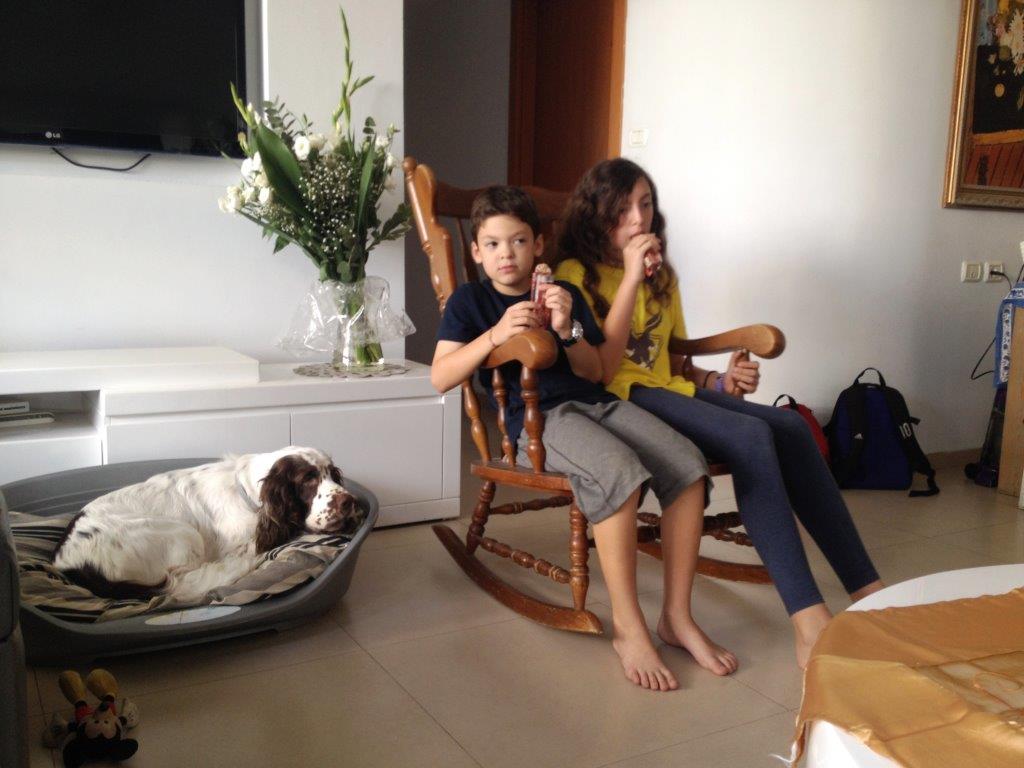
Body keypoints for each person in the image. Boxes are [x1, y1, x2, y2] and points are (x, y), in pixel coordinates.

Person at [553, 159, 884, 668]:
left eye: (645, 204)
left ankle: (868, 590)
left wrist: (720, 382)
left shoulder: (663, 276)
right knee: (750, 436)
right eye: (622, 209)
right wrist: (631, 278)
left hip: (670, 389)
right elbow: (605, 368)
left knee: (790, 426)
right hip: (620, 398)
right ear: (596, 215)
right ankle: (808, 619)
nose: (638, 219)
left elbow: (673, 360)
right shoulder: (576, 275)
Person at [431, 185, 738, 691]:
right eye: (493, 244)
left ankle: (677, 617)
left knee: (687, 464)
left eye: (519, 241)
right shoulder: (472, 300)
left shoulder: (562, 292)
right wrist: (497, 335)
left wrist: (566, 326)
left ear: (538, 245)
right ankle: (630, 628)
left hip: (596, 402)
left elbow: (596, 371)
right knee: (618, 470)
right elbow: (441, 375)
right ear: (477, 251)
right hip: (539, 421)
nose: (506, 254)